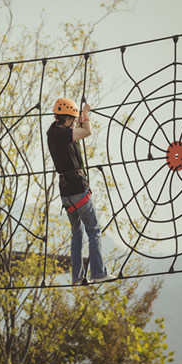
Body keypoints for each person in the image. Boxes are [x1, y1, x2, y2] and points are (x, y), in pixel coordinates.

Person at [47, 98, 115, 285]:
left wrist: (79, 116)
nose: (75, 122)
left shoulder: (52, 133)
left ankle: (77, 277)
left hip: (66, 194)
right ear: (66, 119)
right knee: (94, 230)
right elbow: (87, 131)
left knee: (77, 234)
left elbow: (76, 132)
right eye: (73, 119)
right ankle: (98, 272)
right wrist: (85, 115)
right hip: (78, 188)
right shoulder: (62, 135)